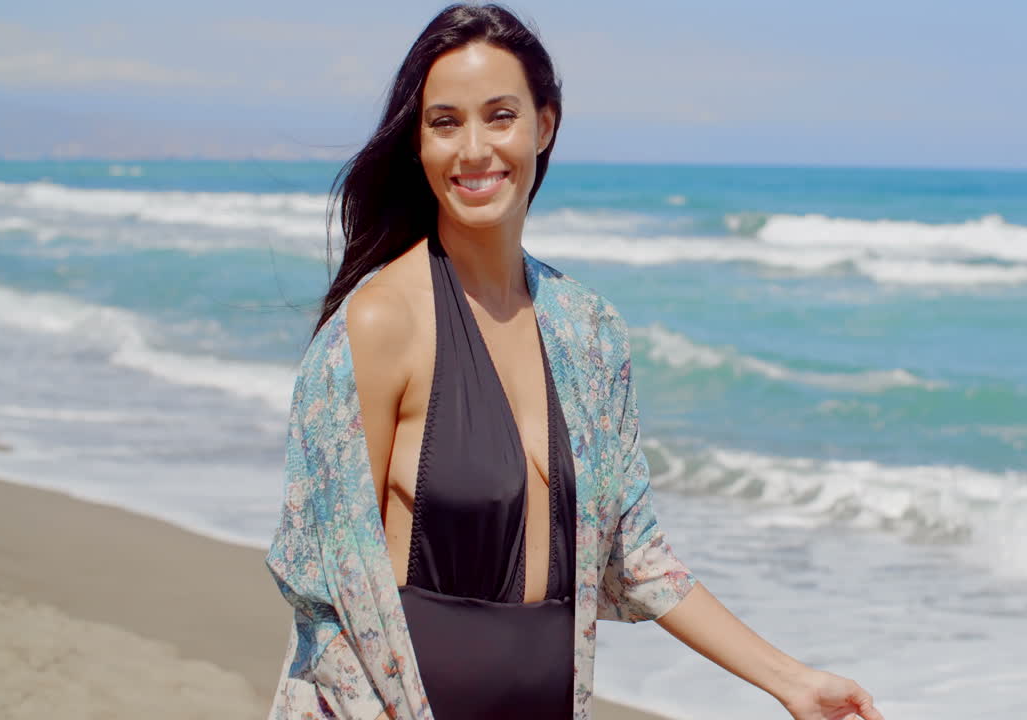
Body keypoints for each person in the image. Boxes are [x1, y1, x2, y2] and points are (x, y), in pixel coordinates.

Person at [264, 4, 885, 719]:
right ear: (418, 143)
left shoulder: (589, 331)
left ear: (544, 125)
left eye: (500, 116)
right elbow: (327, 591)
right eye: (444, 122)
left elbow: (636, 556)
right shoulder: (380, 326)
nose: (473, 149)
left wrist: (792, 681)